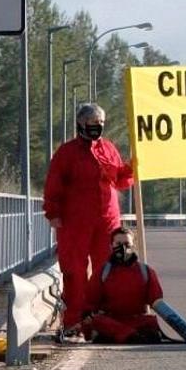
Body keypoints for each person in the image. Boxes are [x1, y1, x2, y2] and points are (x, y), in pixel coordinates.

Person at [44, 102, 134, 341]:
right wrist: (53, 213)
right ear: (81, 124)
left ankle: (104, 322)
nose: (97, 128)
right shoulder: (67, 152)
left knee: (107, 270)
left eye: (101, 124)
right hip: (75, 221)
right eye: (93, 124)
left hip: (106, 219)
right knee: (74, 273)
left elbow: (121, 180)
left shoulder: (108, 149)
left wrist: (133, 166)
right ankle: (74, 324)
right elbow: (54, 184)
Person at [81, 227, 164, 343]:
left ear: (133, 246)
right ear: (111, 246)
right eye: (118, 244)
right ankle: (131, 336)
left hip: (136, 319)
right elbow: (90, 302)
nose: (123, 248)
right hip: (112, 320)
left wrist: (179, 326)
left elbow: (158, 302)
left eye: (127, 244)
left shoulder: (145, 272)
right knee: (98, 321)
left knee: (150, 322)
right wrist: (87, 317)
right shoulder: (103, 272)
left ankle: (126, 335)